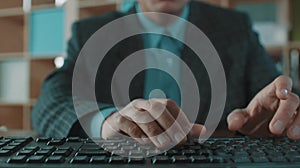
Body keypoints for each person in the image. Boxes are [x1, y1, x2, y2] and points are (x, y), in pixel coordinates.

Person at [32, 0, 300, 148]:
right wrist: (106, 121)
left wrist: (277, 113)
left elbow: (274, 95)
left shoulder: (235, 27)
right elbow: (50, 103)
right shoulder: (89, 32)